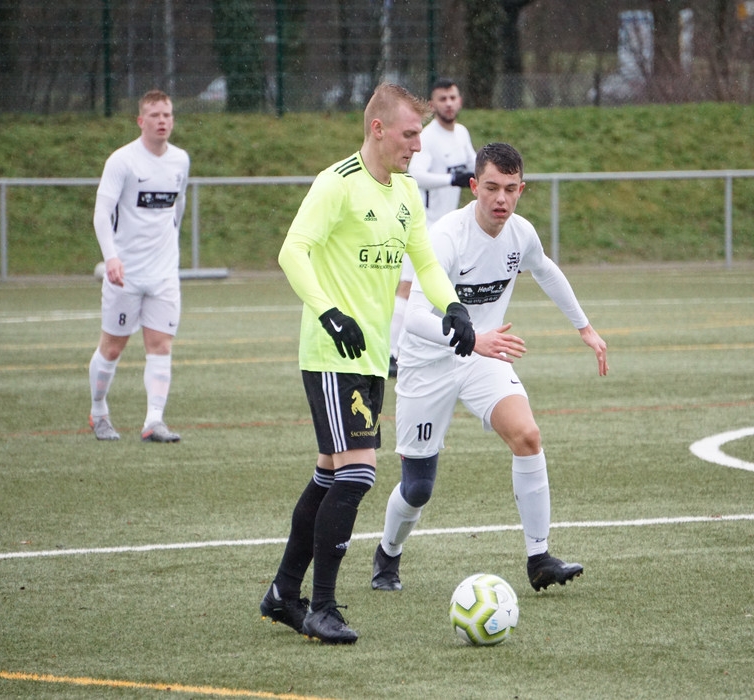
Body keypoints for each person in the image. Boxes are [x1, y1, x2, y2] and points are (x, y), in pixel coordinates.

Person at [260, 83, 476, 645]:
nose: (417, 146)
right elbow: (292, 251)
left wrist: (453, 305)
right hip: (331, 353)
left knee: (330, 475)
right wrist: (329, 313)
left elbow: (425, 262)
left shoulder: (404, 191)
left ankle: (284, 593)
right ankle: (322, 607)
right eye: (410, 134)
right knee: (358, 474)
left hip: (372, 357)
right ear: (378, 129)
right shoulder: (337, 184)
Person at [371, 142, 608, 595]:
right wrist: (472, 339)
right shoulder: (446, 237)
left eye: (511, 189)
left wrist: (585, 328)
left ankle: (539, 558)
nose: (501, 199)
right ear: (474, 186)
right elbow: (414, 319)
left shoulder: (521, 234)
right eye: (492, 187)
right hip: (428, 363)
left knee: (527, 435)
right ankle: (388, 552)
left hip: (484, 357)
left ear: (522, 190)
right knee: (418, 488)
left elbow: (545, 270)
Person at [87, 89, 190, 443]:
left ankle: (153, 422)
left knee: (160, 345)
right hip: (125, 274)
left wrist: (170, 247)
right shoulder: (122, 161)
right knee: (113, 347)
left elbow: (178, 207)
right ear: (141, 121)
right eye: (155, 115)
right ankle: (99, 411)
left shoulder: (180, 161)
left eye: (168, 114)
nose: (163, 121)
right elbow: (102, 213)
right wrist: (111, 257)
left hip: (164, 274)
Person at [389, 78, 477, 377]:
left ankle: (431, 347)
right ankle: (390, 353)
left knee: (445, 289)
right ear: (432, 104)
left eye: (452, 97)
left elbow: (475, 165)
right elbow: (415, 174)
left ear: (460, 101)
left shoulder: (461, 133)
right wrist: (452, 179)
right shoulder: (427, 136)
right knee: (407, 286)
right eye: (442, 99)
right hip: (423, 226)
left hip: (449, 228)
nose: (448, 103)